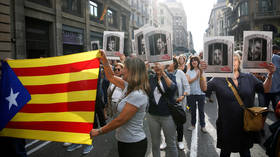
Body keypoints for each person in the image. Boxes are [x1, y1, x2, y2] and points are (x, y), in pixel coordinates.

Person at [200, 53, 275, 157]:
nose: (232, 62)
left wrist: (270, 75)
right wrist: (202, 73)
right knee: (225, 153)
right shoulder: (218, 78)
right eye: (229, 60)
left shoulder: (249, 77)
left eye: (235, 59)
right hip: (226, 125)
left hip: (245, 125)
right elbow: (204, 89)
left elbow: (265, 89)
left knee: (245, 152)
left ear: (239, 62)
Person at [90, 50, 149, 157]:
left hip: (134, 144)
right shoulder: (128, 85)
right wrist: (105, 60)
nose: (122, 70)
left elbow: (120, 120)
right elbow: (111, 77)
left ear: (133, 71)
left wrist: (99, 131)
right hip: (124, 141)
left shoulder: (138, 95)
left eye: (125, 68)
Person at [147, 62, 178, 157]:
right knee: (155, 143)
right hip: (152, 115)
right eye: (155, 65)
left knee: (171, 143)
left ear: (165, 65)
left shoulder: (171, 76)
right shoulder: (151, 78)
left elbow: (173, 88)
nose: (157, 66)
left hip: (167, 115)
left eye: (159, 64)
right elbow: (145, 89)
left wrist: (163, 74)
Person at [164, 57, 190, 150]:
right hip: (167, 103)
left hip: (179, 102)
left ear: (174, 64)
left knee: (179, 123)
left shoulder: (180, 73)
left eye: (169, 62)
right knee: (166, 123)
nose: (167, 64)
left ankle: (180, 141)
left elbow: (187, 87)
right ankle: (165, 141)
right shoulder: (164, 74)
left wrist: (183, 96)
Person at [186, 56, 207, 133]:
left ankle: (203, 126)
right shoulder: (189, 71)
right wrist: (196, 77)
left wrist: (201, 74)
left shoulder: (202, 70)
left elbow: (205, 81)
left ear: (198, 62)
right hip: (192, 93)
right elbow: (188, 81)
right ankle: (193, 125)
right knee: (193, 110)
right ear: (191, 63)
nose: (194, 62)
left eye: (195, 60)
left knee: (201, 111)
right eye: (192, 61)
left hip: (201, 93)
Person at [261, 45, 280, 111]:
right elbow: (257, 74)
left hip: (276, 91)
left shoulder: (277, 58)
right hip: (264, 91)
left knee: (278, 111)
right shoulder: (260, 59)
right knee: (262, 113)